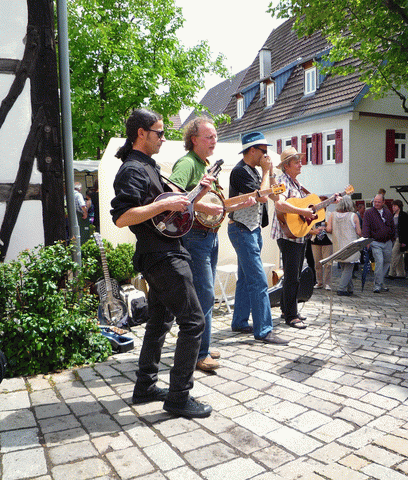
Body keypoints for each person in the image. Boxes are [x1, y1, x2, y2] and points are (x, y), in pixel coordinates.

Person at [110, 108, 213, 419]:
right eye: (159, 133)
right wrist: (168, 202)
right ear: (141, 133)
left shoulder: (148, 166)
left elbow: (168, 211)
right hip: (163, 256)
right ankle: (180, 396)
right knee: (194, 321)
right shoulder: (132, 170)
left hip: (159, 253)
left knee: (159, 323)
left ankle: (145, 386)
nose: (164, 138)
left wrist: (196, 195)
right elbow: (122, 217)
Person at [169, 117, 254, 371]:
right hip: (195, 238)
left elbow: (214, 205)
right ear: (193, 139)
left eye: (215, 136)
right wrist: (201, 198)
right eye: (209, 137)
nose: (214, 141)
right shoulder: (187, 163)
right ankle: (198, 354)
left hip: (210, 236)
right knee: (204, 295)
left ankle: (202, 346)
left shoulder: (206, 165)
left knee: (205, 295)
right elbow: (174, 194)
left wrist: (242, 203)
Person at [227, 132, 289, 344]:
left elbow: (272, 194)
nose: (266, 155)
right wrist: (264, 171)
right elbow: (262, 195)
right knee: (258, 280)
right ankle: (264, 330)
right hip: (242, 229)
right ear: (252, 150)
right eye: (263, 151)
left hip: (251, 230)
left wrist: (270, 172)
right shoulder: (240, 172)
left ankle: (239, 322)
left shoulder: (254, 171)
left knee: (245, 279)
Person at [272, 146, 324, 329]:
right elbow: (280, 205)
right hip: (288, 235)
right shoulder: (281, 181)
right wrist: (302, 210)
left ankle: (287, 309)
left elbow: (303, 209)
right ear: (286, 166)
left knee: (293, 275)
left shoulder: (296, 184)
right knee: (293, 276)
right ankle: (291, 316)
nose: (301, 164)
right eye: (297, 162)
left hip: (298, 236)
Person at [326, 196, 361, 296]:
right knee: (349, 268)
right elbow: (358, 231)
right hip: (351, 246)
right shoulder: (353, 215)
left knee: (345, 268)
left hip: (338, 245)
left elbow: (328, 229)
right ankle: (341, 289)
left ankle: (350, 289)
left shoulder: (332, 215)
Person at [362, 193, 395, 293]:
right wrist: (366, 240)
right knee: (379, 261)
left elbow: (392, 225)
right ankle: (377, 285)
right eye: (375, 201)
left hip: (387, 241)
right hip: (375, 241)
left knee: (387, 261)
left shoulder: (387, 212)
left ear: (383, 202)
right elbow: (366, 226)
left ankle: (380, 281)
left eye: (379, 202)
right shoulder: (369, 213)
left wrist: (393, 237)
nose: (376, 203)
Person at [389, 199, 408, 279]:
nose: (393, 207)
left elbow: (406, 229)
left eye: (395, 206)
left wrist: (404, 241)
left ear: (399, 206)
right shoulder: (393, 215)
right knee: (399, 256)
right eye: (393, 206)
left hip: (400, 238)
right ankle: (401, 273)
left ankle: (391, 273)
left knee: (394, 254)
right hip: (395, 238)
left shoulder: (403, 215)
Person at [310, 220, 332, 290]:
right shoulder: (314, 217)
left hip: (328, 242)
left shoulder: (329, 216)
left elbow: (333, 229)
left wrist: (325, 228)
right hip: (315, 242)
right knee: (317, 263)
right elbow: (308, 229)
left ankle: (327, 283)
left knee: (328, 264)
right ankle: (319, 282)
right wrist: (314, 231)